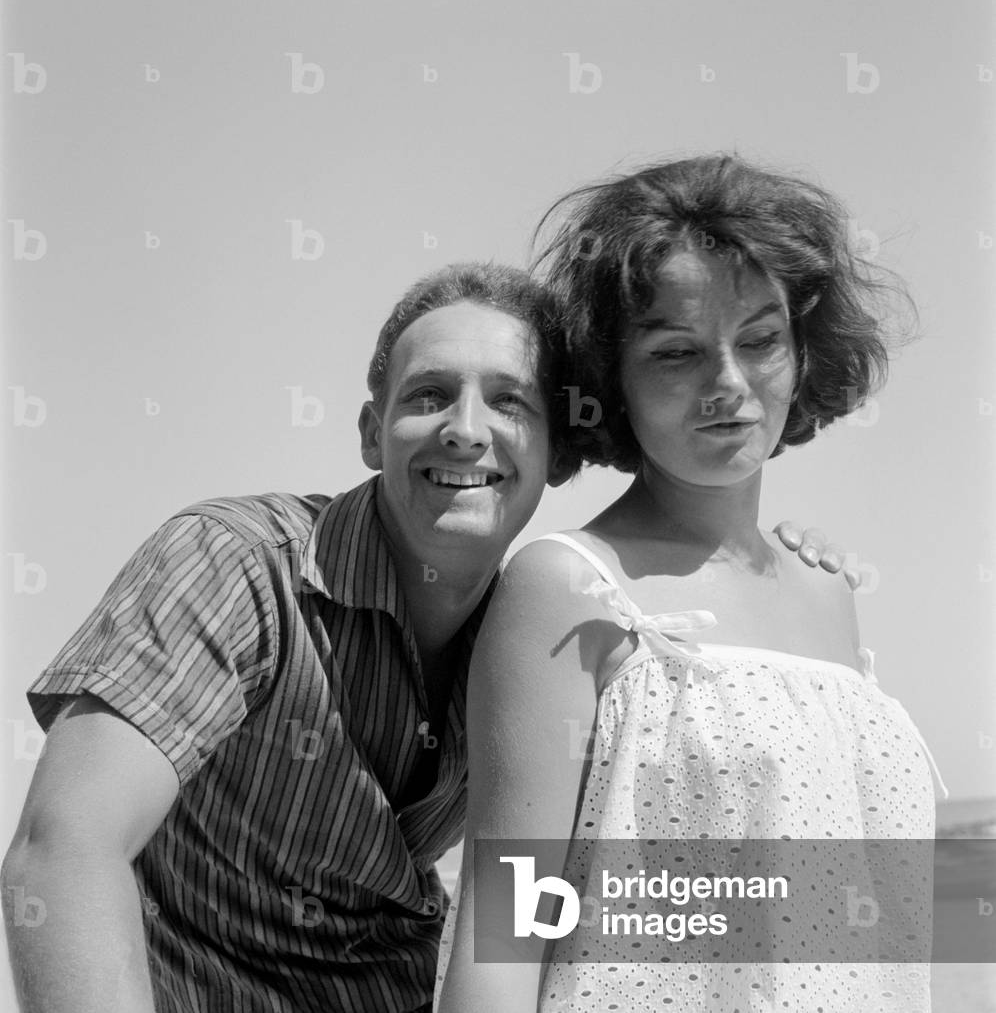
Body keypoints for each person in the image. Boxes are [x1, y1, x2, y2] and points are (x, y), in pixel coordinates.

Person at [2, 261, 843, 1013]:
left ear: (559, 452)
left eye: (509, 401)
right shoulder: (240, 564)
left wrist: (765, 582)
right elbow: (63, 847)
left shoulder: (545, 635)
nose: (466, 430)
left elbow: (590, 898)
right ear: (373, 432)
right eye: (430, 395)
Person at [436, 156, 944, 1012]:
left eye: (759, 338)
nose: (729, 384)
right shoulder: (568, 587)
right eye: (676, 352)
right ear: (610, 379)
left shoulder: (831, 591)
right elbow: (507, 924)